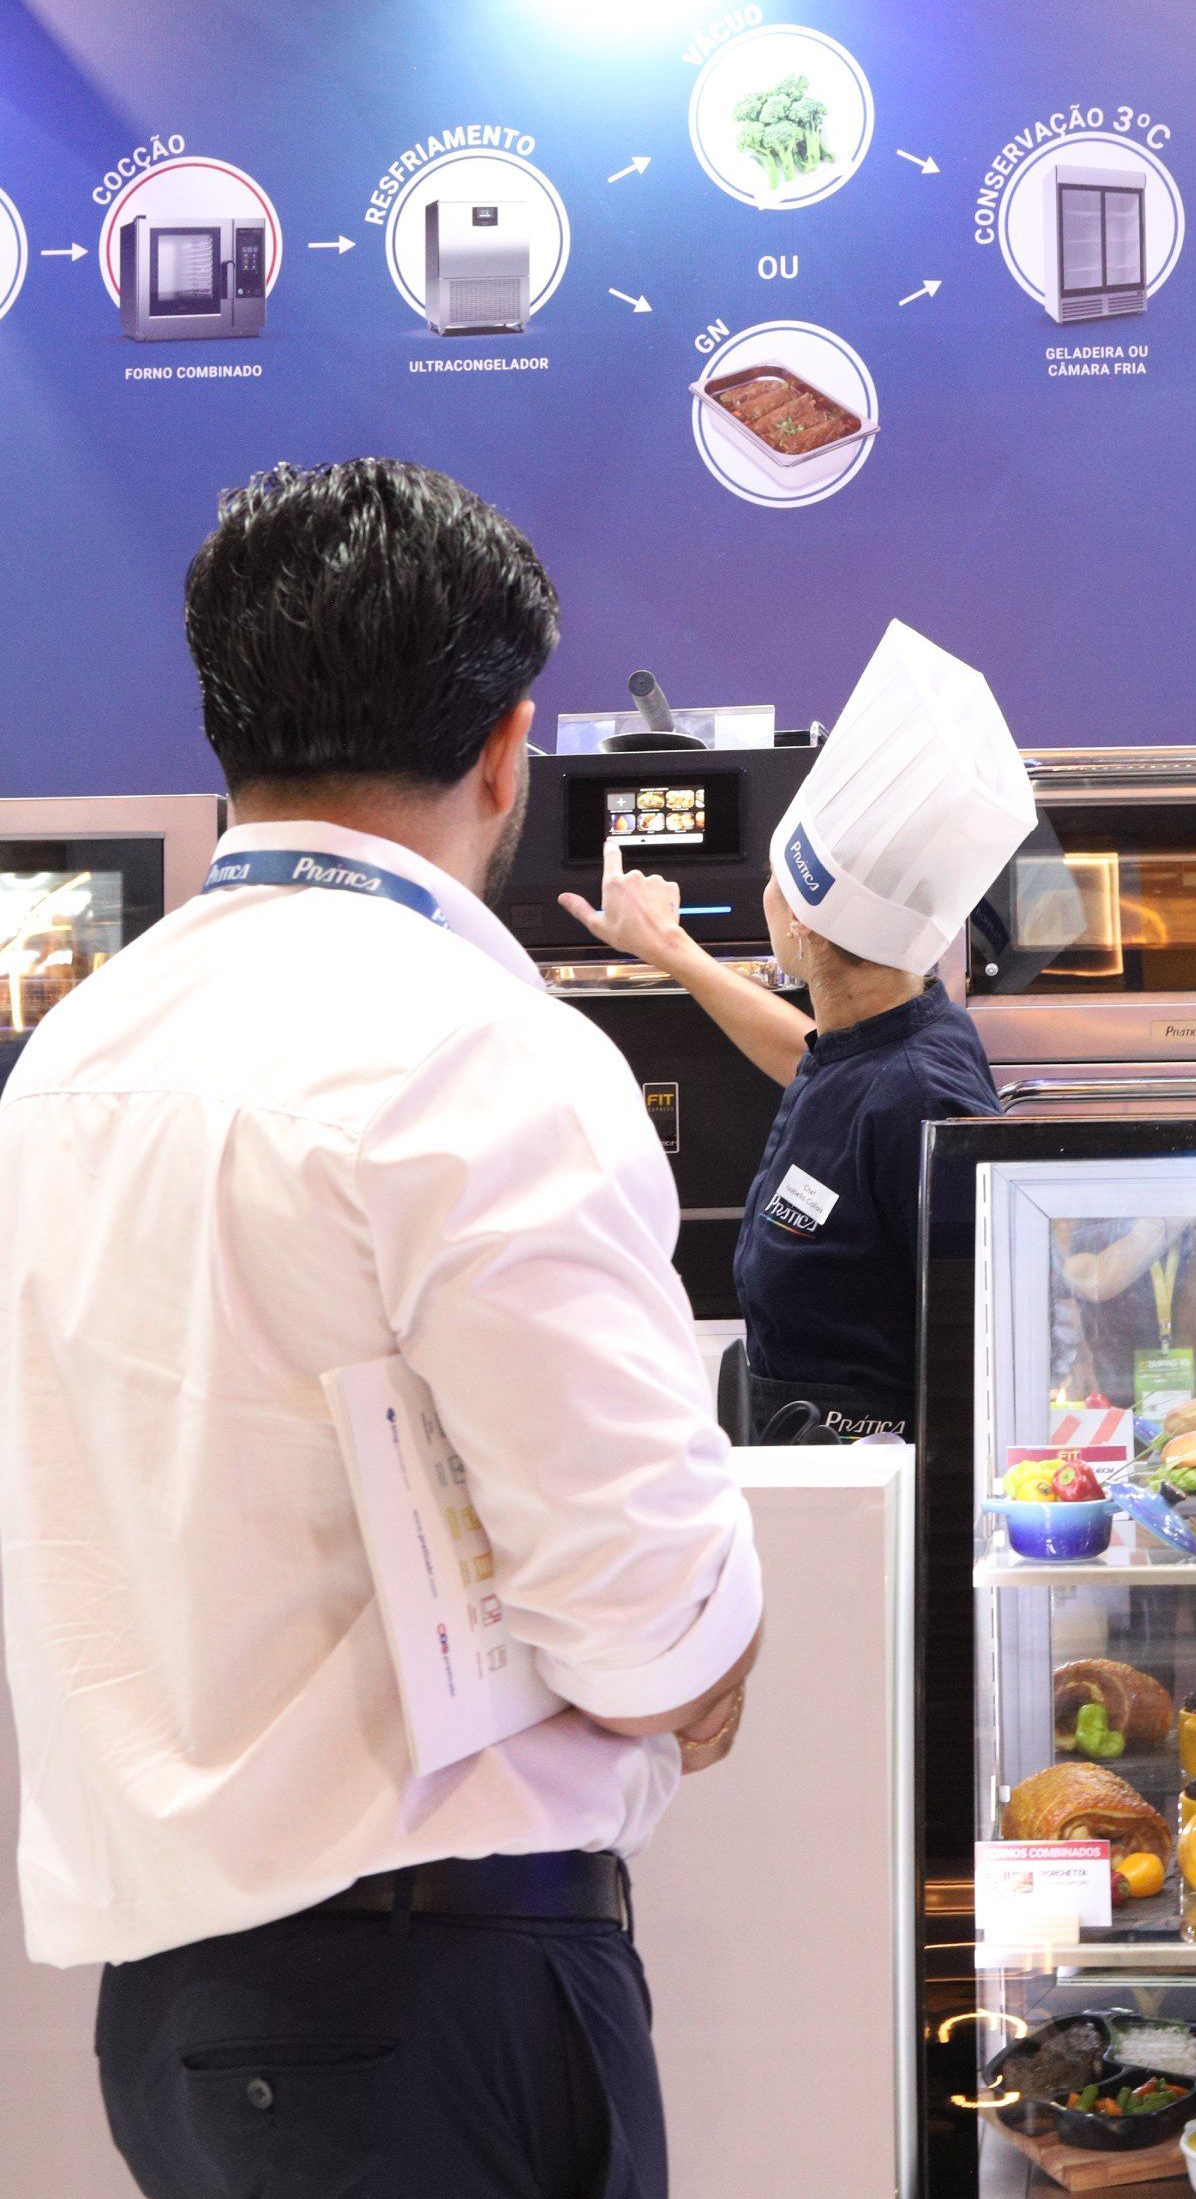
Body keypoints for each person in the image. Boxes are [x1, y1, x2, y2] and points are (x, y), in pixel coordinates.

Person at [0, 460, 761, 2199]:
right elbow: (643, 1617)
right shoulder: (474, 1047)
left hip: (175, 2016)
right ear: (509, 747)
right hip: (434, 1989)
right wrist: (705, 1670)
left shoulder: (75, 1057)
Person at [564, 619, 1034, 1440]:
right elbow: (817, 1067)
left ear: (806, 929)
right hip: (807, 1457)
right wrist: (671, 951)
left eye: (775, 882)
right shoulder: (891, 1035)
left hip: (864, 1486)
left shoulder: (921, 1093)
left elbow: (984, 1341)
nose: (764, 895)